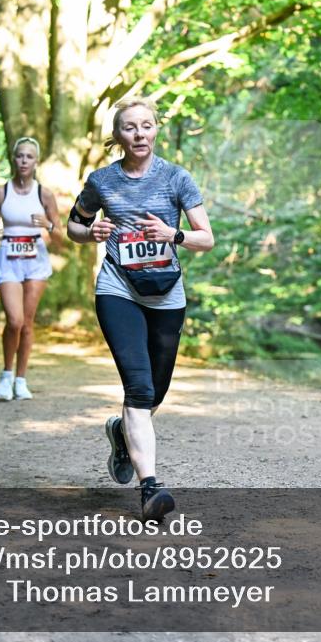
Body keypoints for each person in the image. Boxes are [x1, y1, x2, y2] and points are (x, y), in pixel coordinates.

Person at [68, 97, 214, 521]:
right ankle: (150, 487)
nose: (140, 134)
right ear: (118, 136)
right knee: (139, 387)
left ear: (155, 131)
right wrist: (90, 231)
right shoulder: (102, 181)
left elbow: (207, 238)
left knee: (157, 390)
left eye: (146, 126)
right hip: (118, 289)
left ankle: (121, 432)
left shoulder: (176, 178)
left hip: (167, 292)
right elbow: (76, 224)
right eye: (130, 127)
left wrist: (174, 234)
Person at [0, 137, 64, 401]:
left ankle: (21, 380)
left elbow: (60, 239)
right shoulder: (0, 193)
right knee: (14, 320)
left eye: (29, 157)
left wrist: (48, 224)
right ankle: (6, 375)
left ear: (36, 162)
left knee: (28, 324)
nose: (23, 161)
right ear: (13, 158)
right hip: (8, 258)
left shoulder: (44, 194)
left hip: (35, 260)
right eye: (20, 156)